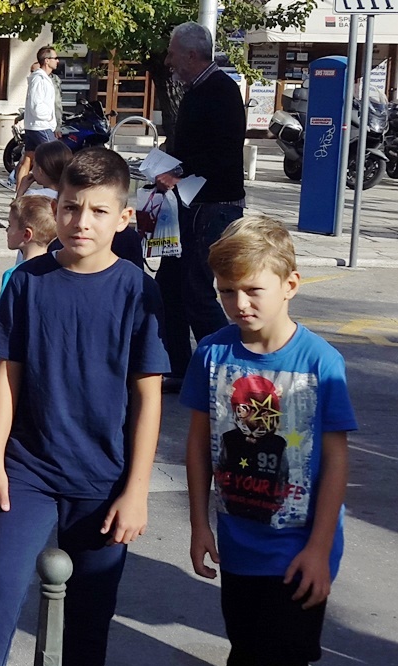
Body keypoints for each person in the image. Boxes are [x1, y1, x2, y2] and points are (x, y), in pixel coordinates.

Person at [0, 148, 169, 666]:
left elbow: (148, 397)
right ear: (56, 207)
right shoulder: (29, 281)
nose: (81, 222)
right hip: (28, 471)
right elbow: (6, 377)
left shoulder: (137, 290)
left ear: (124, 217)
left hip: (104, 479)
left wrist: (137, 490)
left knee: (91, 612)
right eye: (71, 207)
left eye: (98, 211)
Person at [181, 217, 357, 666]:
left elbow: (336, 461)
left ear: (290, 285)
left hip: (300, 550)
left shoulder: (320, 362)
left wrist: (319, 549)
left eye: (253, 290)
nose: (239, 303)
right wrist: (199, 525)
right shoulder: (212, 352)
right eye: (226, 291)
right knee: (245, 660)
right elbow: (197, 446)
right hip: (239, 546)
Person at [157, 21, 247, 392]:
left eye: (173, 54)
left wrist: (179, 171)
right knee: (169, 287)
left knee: (197, 290)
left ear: (192, 55)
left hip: (214, 207)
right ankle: (179, 368)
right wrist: (164, 163)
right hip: (190, 203)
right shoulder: (195, 90)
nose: (168, 62)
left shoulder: (221, 90)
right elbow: (192, 145)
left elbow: (223, 153)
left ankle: (230, 371)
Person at [0, 194, 56, 378]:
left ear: (26, 234)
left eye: (10, 225)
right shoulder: (55, 272)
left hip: (9, 363)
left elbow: (4, 325)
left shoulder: (15, 275)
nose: (6, 230)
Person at [9, 47, 60, 196]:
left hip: (35, 126)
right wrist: (49, 117)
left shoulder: (43, 78)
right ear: (47, 60)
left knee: (27, 159)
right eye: (55, 58)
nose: (57, 61)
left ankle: (19, 195)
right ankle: (51, 192)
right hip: (40, 126)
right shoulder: (39, 79)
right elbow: (36, 105)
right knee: (54, 158)